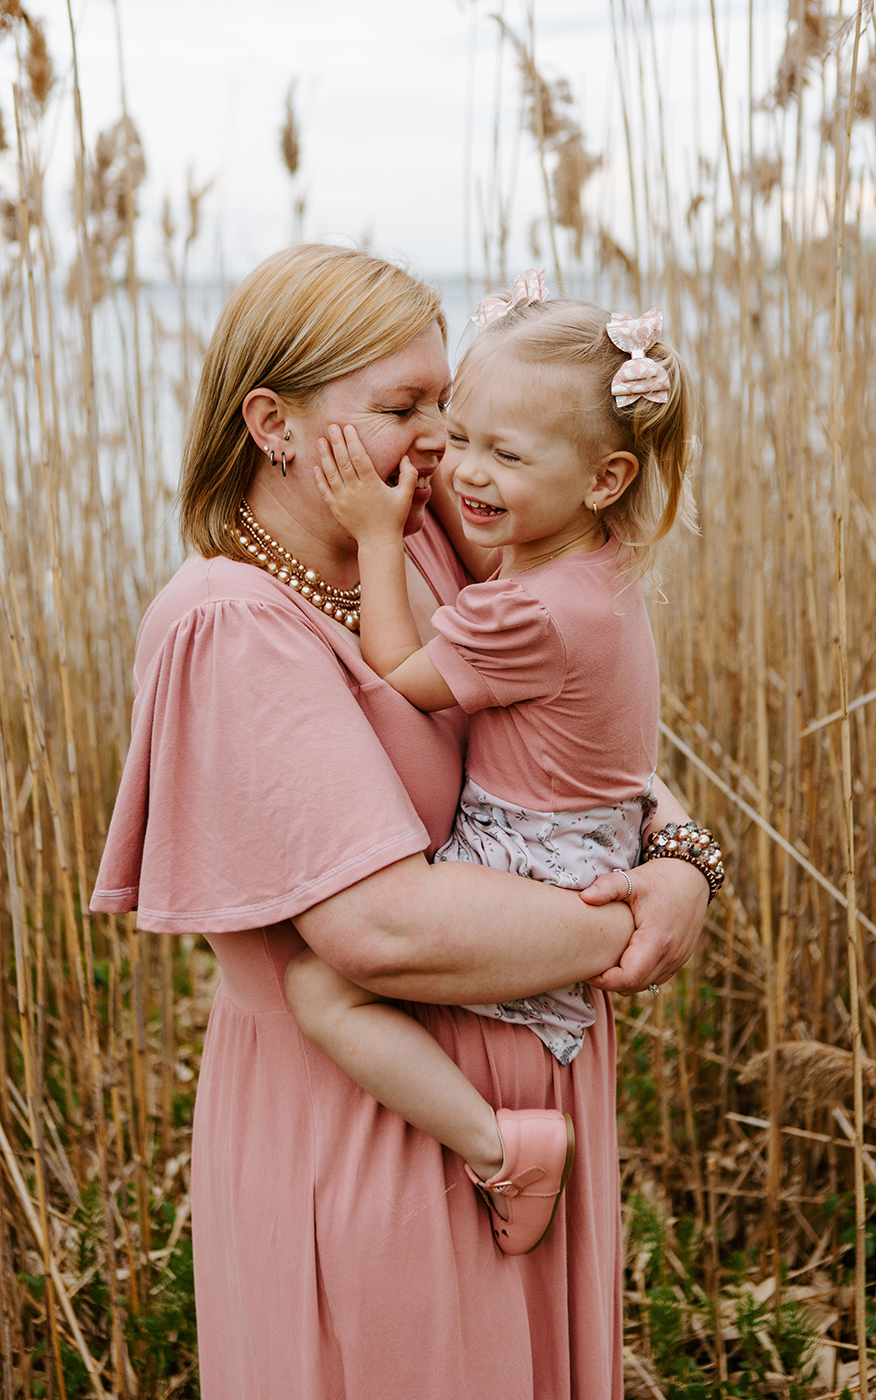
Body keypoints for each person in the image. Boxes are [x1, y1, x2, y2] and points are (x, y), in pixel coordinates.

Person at [90, 243, 714, 1400]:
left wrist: (680, 858)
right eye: (404, 406)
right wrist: (615, 923)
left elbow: (577, 738)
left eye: (447, 400)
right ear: (273, 422)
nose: (440, 439)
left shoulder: (424, 534)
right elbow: (376, 930)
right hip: (369, 1133)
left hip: (519, 1084)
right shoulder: (231, 625)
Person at [283, 277, 722, 1258]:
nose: (462, 469)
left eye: (505, 453)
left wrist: (372, 531)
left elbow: (403, 666)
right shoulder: (596, 562)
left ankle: (498, 1143)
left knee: (318, 985)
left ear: (603, 477)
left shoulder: (524, 610)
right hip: (591, 841)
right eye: (457, 432)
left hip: (524, 862)